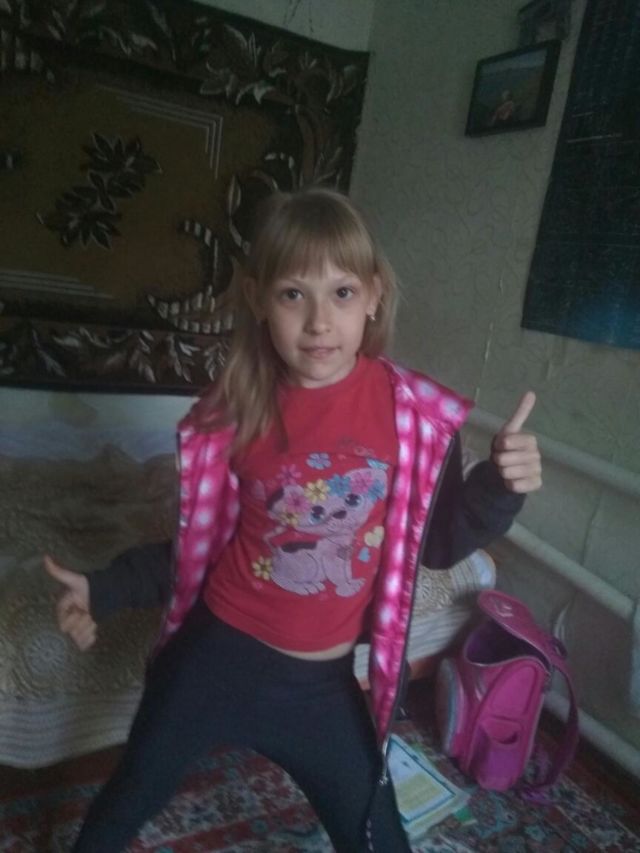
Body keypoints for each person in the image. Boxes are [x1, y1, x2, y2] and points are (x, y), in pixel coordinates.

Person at [45, 188, 542, 852]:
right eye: (292, 294)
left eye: (342, 293)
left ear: (373, 297)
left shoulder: (414, 417)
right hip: (214, 660)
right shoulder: (236, 411)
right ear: (258, 299)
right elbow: (200, 547)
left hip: (321, 688)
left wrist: (501, 485)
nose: (318, 321)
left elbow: (441, 541)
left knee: (377, 832)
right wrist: (103, 587)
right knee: (127, 799)